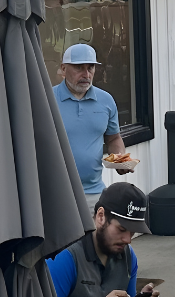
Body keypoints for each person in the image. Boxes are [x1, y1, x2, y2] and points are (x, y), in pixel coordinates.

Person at [53, 42, 133, 196]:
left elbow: (113, 138)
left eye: (90, 67)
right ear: (63, 68)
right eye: (79, 67)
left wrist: (120, 160)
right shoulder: (46, 99)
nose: (86, 74)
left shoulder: (106, 101)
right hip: (56, 195)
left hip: (94, 193)